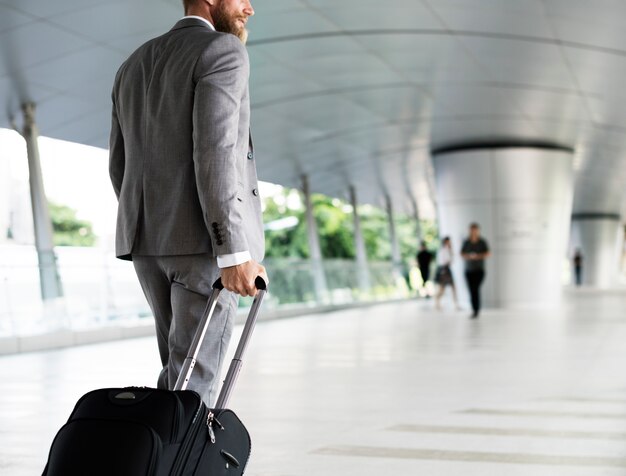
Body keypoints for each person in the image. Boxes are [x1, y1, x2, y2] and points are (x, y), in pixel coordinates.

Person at [109, 0, 267, 406]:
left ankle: (160, 460)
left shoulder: (133, 64)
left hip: (147, 246)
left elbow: (119, 165)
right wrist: (233, 251)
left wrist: (152, 225)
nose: (249, 8)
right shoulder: (222, 50)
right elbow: (215, 151)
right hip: (204, 247)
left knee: (176, 380)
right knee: (195, 388)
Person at [461, 223, 490, 319]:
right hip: (469, 270)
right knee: (471, 290)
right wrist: (469, 256)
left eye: (475, 230)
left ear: (478, 231)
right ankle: (474, 310)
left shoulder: (482, 242)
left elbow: (488, 253)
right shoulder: (466, 242)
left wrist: (478, 256)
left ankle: (476, 310)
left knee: (475, 289)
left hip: (479, 269)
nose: (473, 232)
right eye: (472, 230)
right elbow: (462, 253)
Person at [434, 236, 459, 310]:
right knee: (442, 289)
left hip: (447, 269)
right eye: (448, 241)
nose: (449, 243)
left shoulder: (449, 250)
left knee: (453, 287)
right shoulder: (442, 251)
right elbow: (442, 262)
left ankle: (456, 304)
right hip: (444, 270)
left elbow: (451, 260)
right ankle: (437, 301)